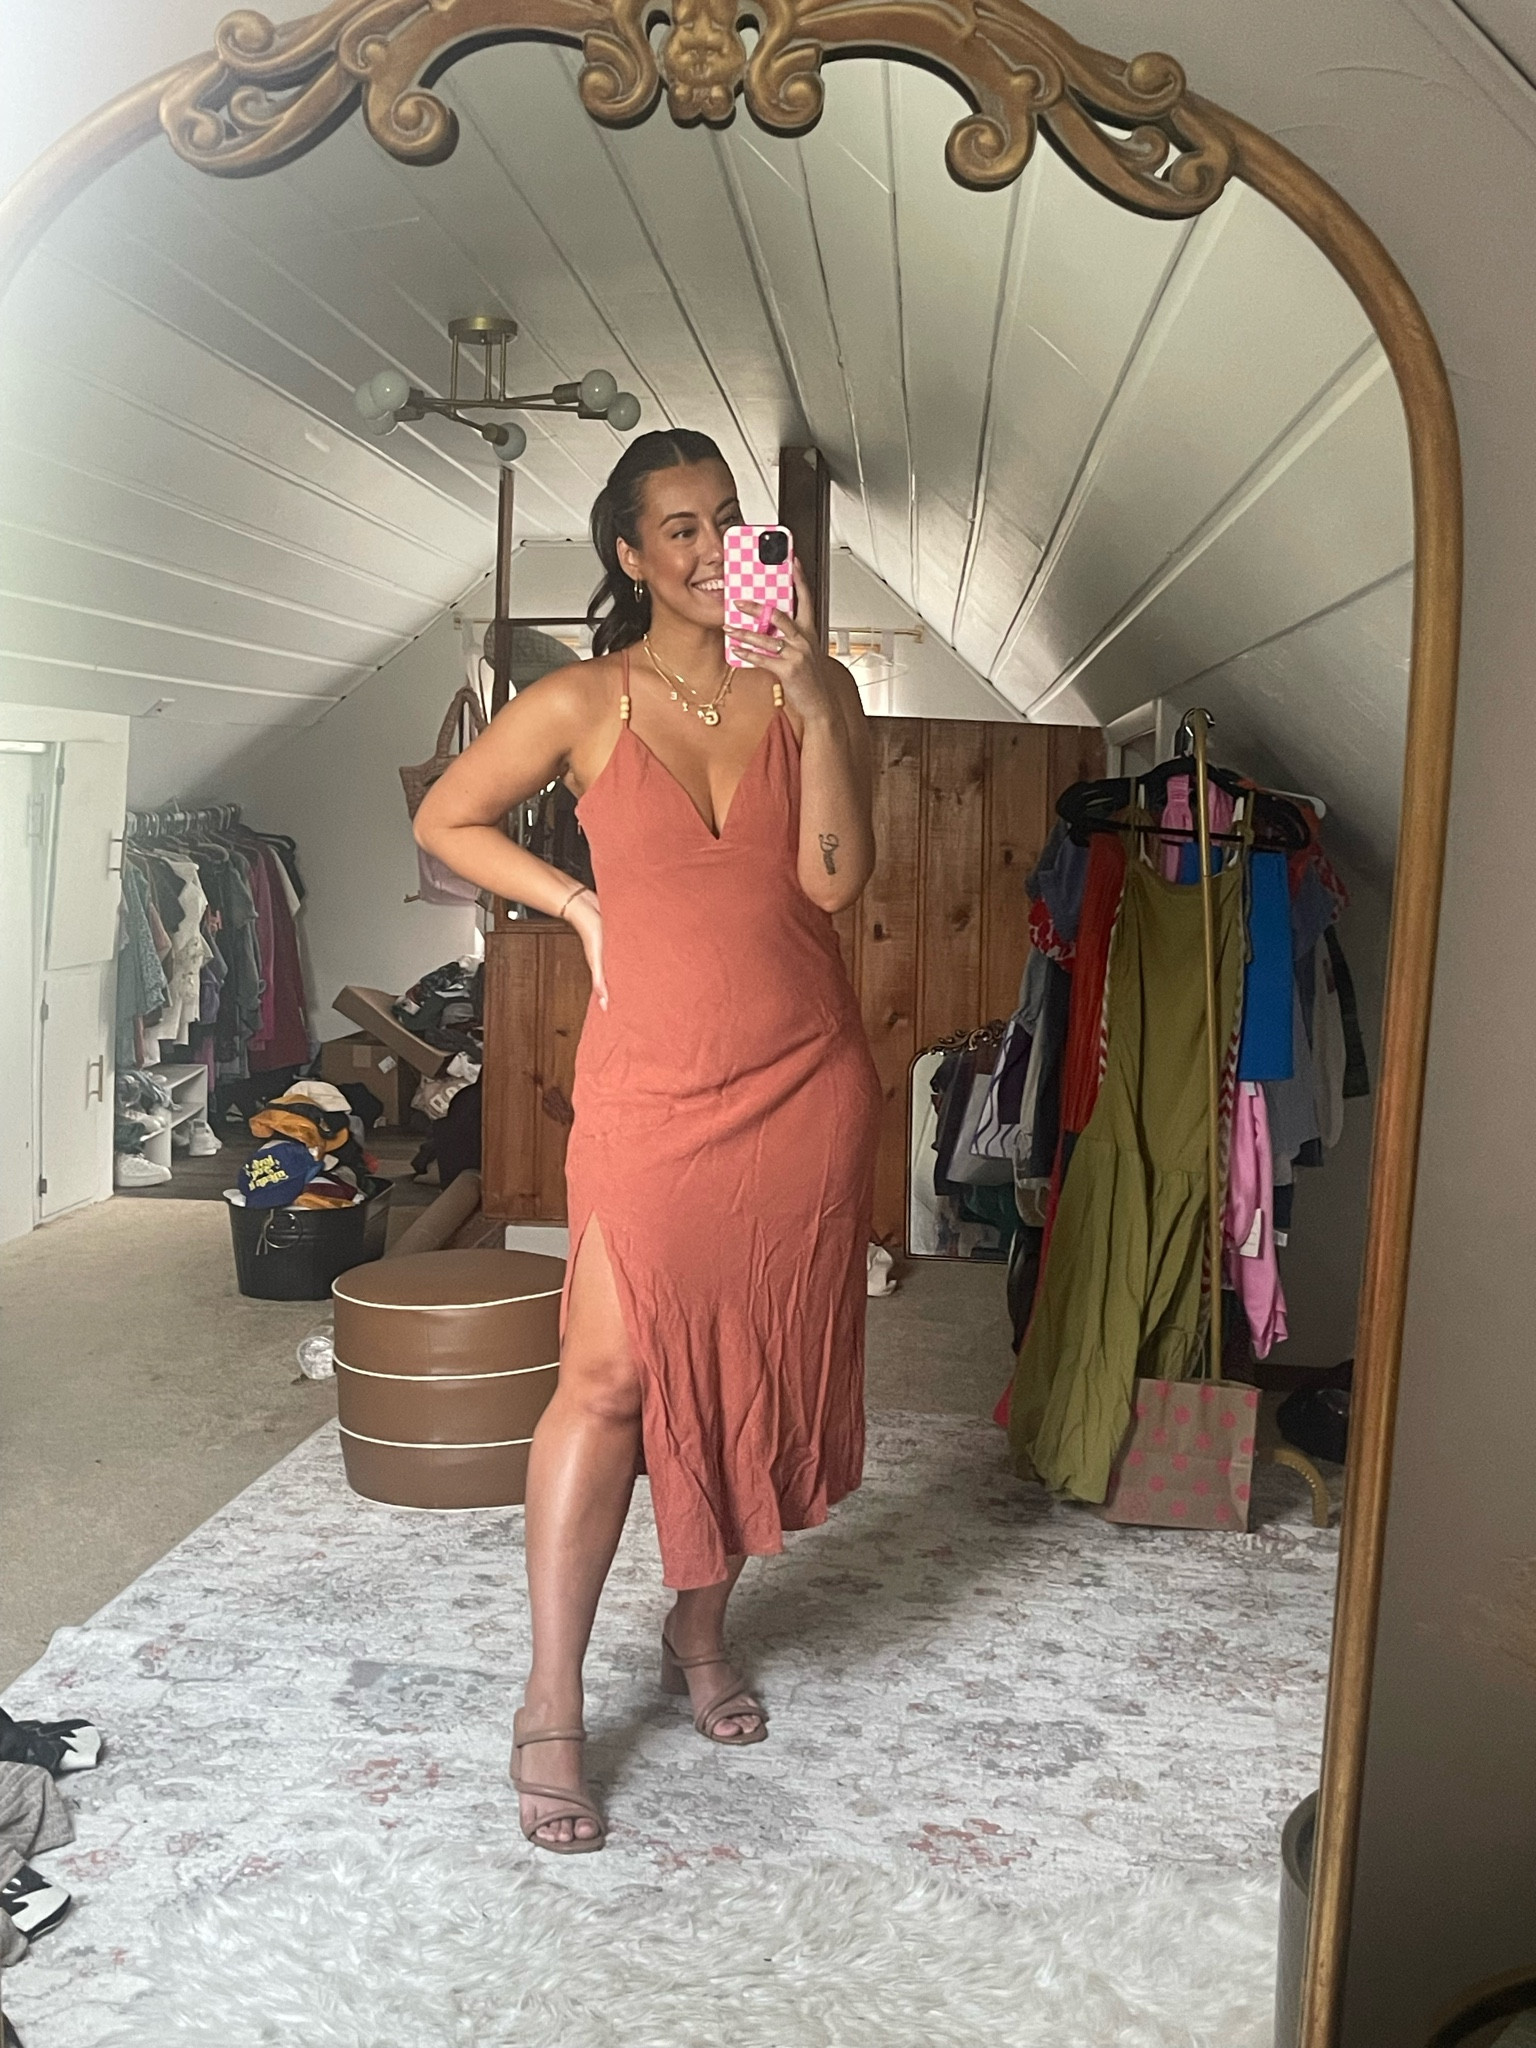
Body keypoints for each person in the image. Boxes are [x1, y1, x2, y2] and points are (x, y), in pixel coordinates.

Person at [414, 430, 882, 1852]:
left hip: (805, 1082)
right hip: (652, 1093)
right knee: (608, 1376)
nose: (709, 549)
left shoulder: (810, 688)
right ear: (629, 555)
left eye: (726, 521)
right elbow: (447, 817)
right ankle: (550, 1699)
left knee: (750, 1364)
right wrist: (575, 904)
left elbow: (834, 883)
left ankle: (698, 1631)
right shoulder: (580, 698)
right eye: (678, 528)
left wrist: (820, 702)